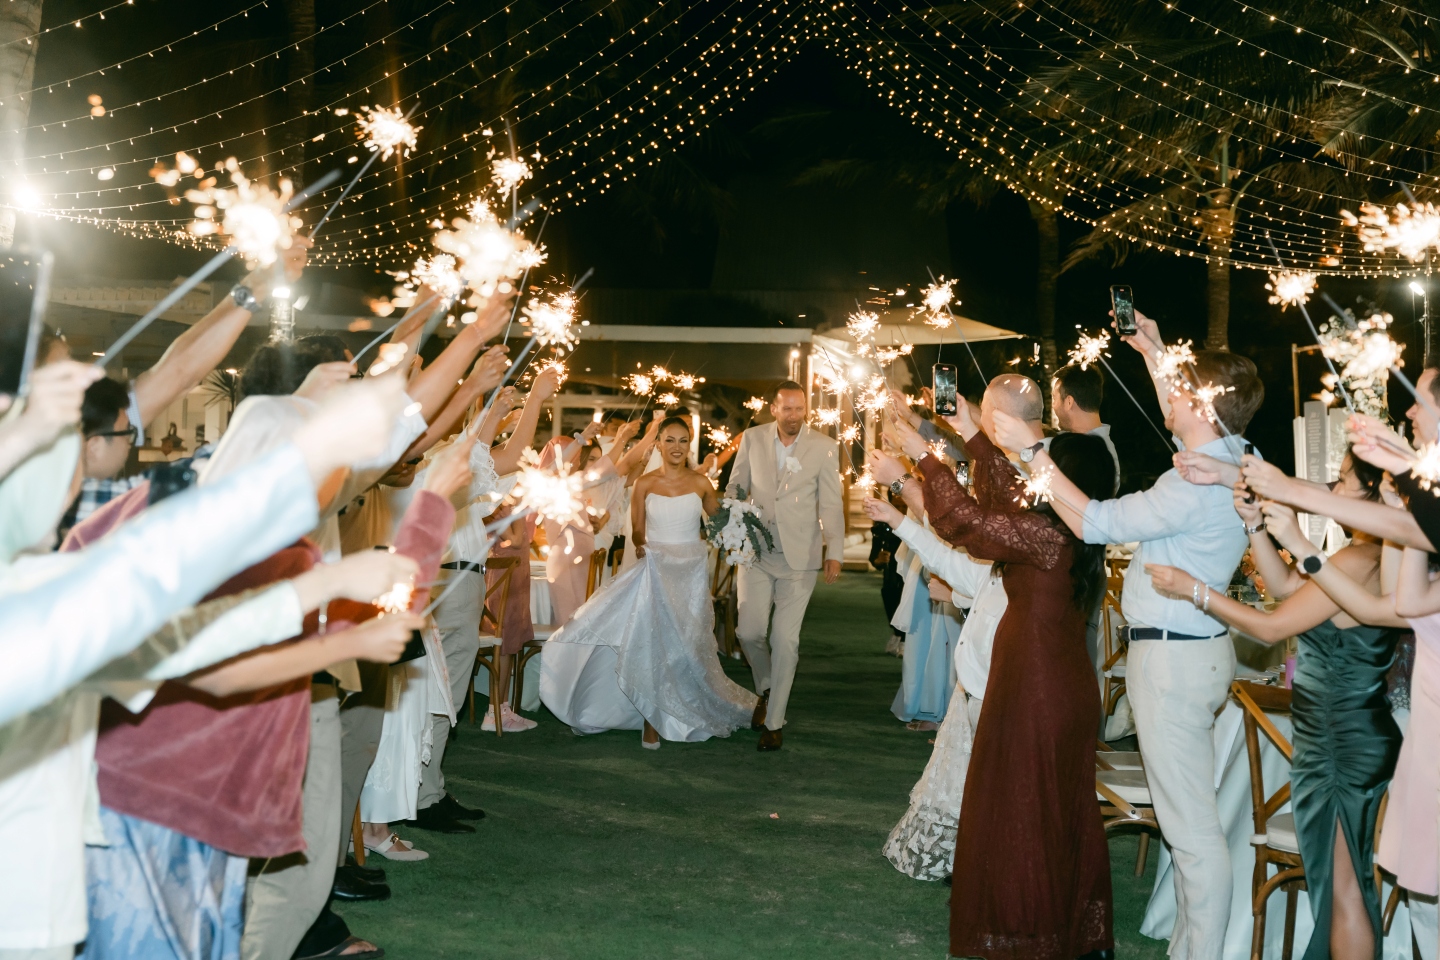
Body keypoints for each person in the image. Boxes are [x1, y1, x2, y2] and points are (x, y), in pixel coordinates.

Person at [997, 310, 1263, 960]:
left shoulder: (1192, 484)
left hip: (1173, 663)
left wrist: (1033, 454)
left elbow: (1094, 522)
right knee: (1190, 821)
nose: (1172, 398)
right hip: (1193, 653)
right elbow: (1185, 411)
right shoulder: (1234, 456)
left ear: (1203, 405)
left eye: (1183, 389)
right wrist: (1153, 348)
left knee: (1190, 831)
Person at [871, 416, 1116, 959]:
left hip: (1035, 685)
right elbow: (1007, 495)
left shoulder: (1045, 535)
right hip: (1051, 680)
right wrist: (972, 433)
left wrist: (924, 455)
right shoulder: (1064, 527)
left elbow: (967, 522)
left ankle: (1030, 935)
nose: (1033, 470)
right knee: (1058, 812)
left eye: (1045, 464)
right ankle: (1072, 933)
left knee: (1021, 811)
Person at [1146, 451, 1402, 960]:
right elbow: (1286, 587)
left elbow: (1270, 627)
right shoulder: (1365, 559)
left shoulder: (1360, 560)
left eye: (1344, 482)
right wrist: (1255, 527)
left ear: (1376, 497)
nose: (1333, 489)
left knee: (1344, 890)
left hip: (1339, 739)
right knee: (1341, 885)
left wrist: (1194, 591)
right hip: (1340, 732)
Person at [539, 417, 758, 748]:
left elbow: (718, 522)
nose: (676, 447)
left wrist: (741, 523)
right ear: (658, 444)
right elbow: (638, 530)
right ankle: (650, 718)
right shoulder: (644, 483)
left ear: (689, 444)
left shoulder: (701, 483)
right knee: (654, 641)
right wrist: (645, 547)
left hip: (690, 570)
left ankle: (684, 706)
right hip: (656, 569)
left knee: (686, 644)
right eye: (669, 440)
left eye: (682, 440)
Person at [726, 381, 845, 751]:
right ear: (773, 409)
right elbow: (735, 488)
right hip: (756, 553)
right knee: (748, 632)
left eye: (800, 408)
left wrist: (834, 550)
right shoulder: (752, 438)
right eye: (787, 409)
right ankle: (766, 687)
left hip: (800, 558)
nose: (794, 416)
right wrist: (734, 522)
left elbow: (831, 503)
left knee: (785, 640)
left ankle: (774, 722)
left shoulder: (824, 447)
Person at [1051, 362, 1120, 491]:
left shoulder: (1093, 456)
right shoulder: (1103, 449)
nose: (1053, 405)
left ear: (1069, 402)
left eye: (1054, 398)